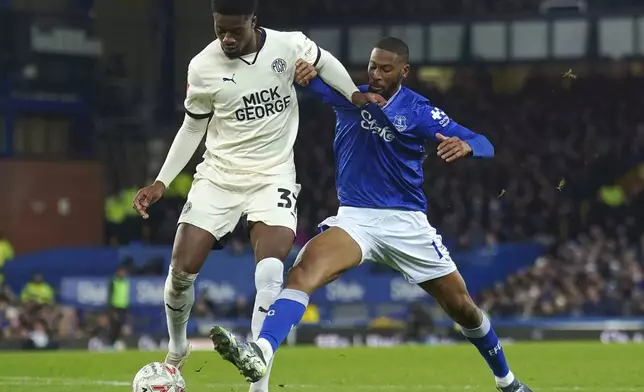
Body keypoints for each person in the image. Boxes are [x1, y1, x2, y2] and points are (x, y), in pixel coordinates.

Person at [209, 37, 533, 392]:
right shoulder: (349, 96)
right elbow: (310, 81)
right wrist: (302, 72)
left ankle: (508, 381)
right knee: (301, 271)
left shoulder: (420, 111)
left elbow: (484, 141)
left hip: (406, 222)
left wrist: (469, 145)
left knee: (464, 309)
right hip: (355, 219)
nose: (376, 74)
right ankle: (261, 350)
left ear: (404, 72)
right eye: (372, 66)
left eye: (385, 68)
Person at [131, 1, 380, 391]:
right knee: (181, 271)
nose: (227, 39)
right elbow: (192, 127)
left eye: (235, 30)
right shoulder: (202, 67)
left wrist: (353, 94)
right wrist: (161, 181)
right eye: (219, 31)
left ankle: (258, 383)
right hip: (219, 176)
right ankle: (178, 349)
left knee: (270, 270)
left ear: (253, 21)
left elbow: (325, 59)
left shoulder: (287, 46)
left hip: (273, 175)